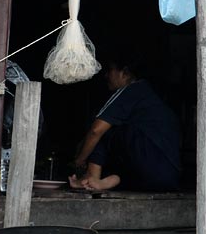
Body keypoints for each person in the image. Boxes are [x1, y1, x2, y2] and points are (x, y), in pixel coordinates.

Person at [68, 52, 182, 192]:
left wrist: (79, 160)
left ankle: (91, 177)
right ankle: (113, 180)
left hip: (147, 169)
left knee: (104, 127)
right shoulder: (152, 97)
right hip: (167, 179)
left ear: (125, 73)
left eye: (110, 70)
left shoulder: (131, 90)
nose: (106, 76)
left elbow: (96, 130)